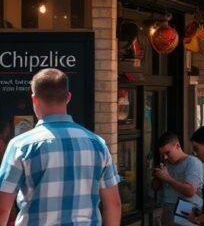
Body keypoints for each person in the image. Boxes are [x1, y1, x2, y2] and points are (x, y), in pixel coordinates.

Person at [0, 68, 121, 226]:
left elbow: (3, 208)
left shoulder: (21, 146)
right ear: (68, 97)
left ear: (34, 99)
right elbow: (113, 204)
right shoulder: (97, 144)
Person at [152, 131, 204, 226]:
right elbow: (155, 188)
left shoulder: (192, 162)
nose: (165, 157)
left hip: (187, 208)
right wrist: (158, 177)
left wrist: (168, 178)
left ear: (177, 146)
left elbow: (190, 191)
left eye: (168, 152)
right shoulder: (165, 164)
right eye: (162, 154)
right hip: (168, 209)